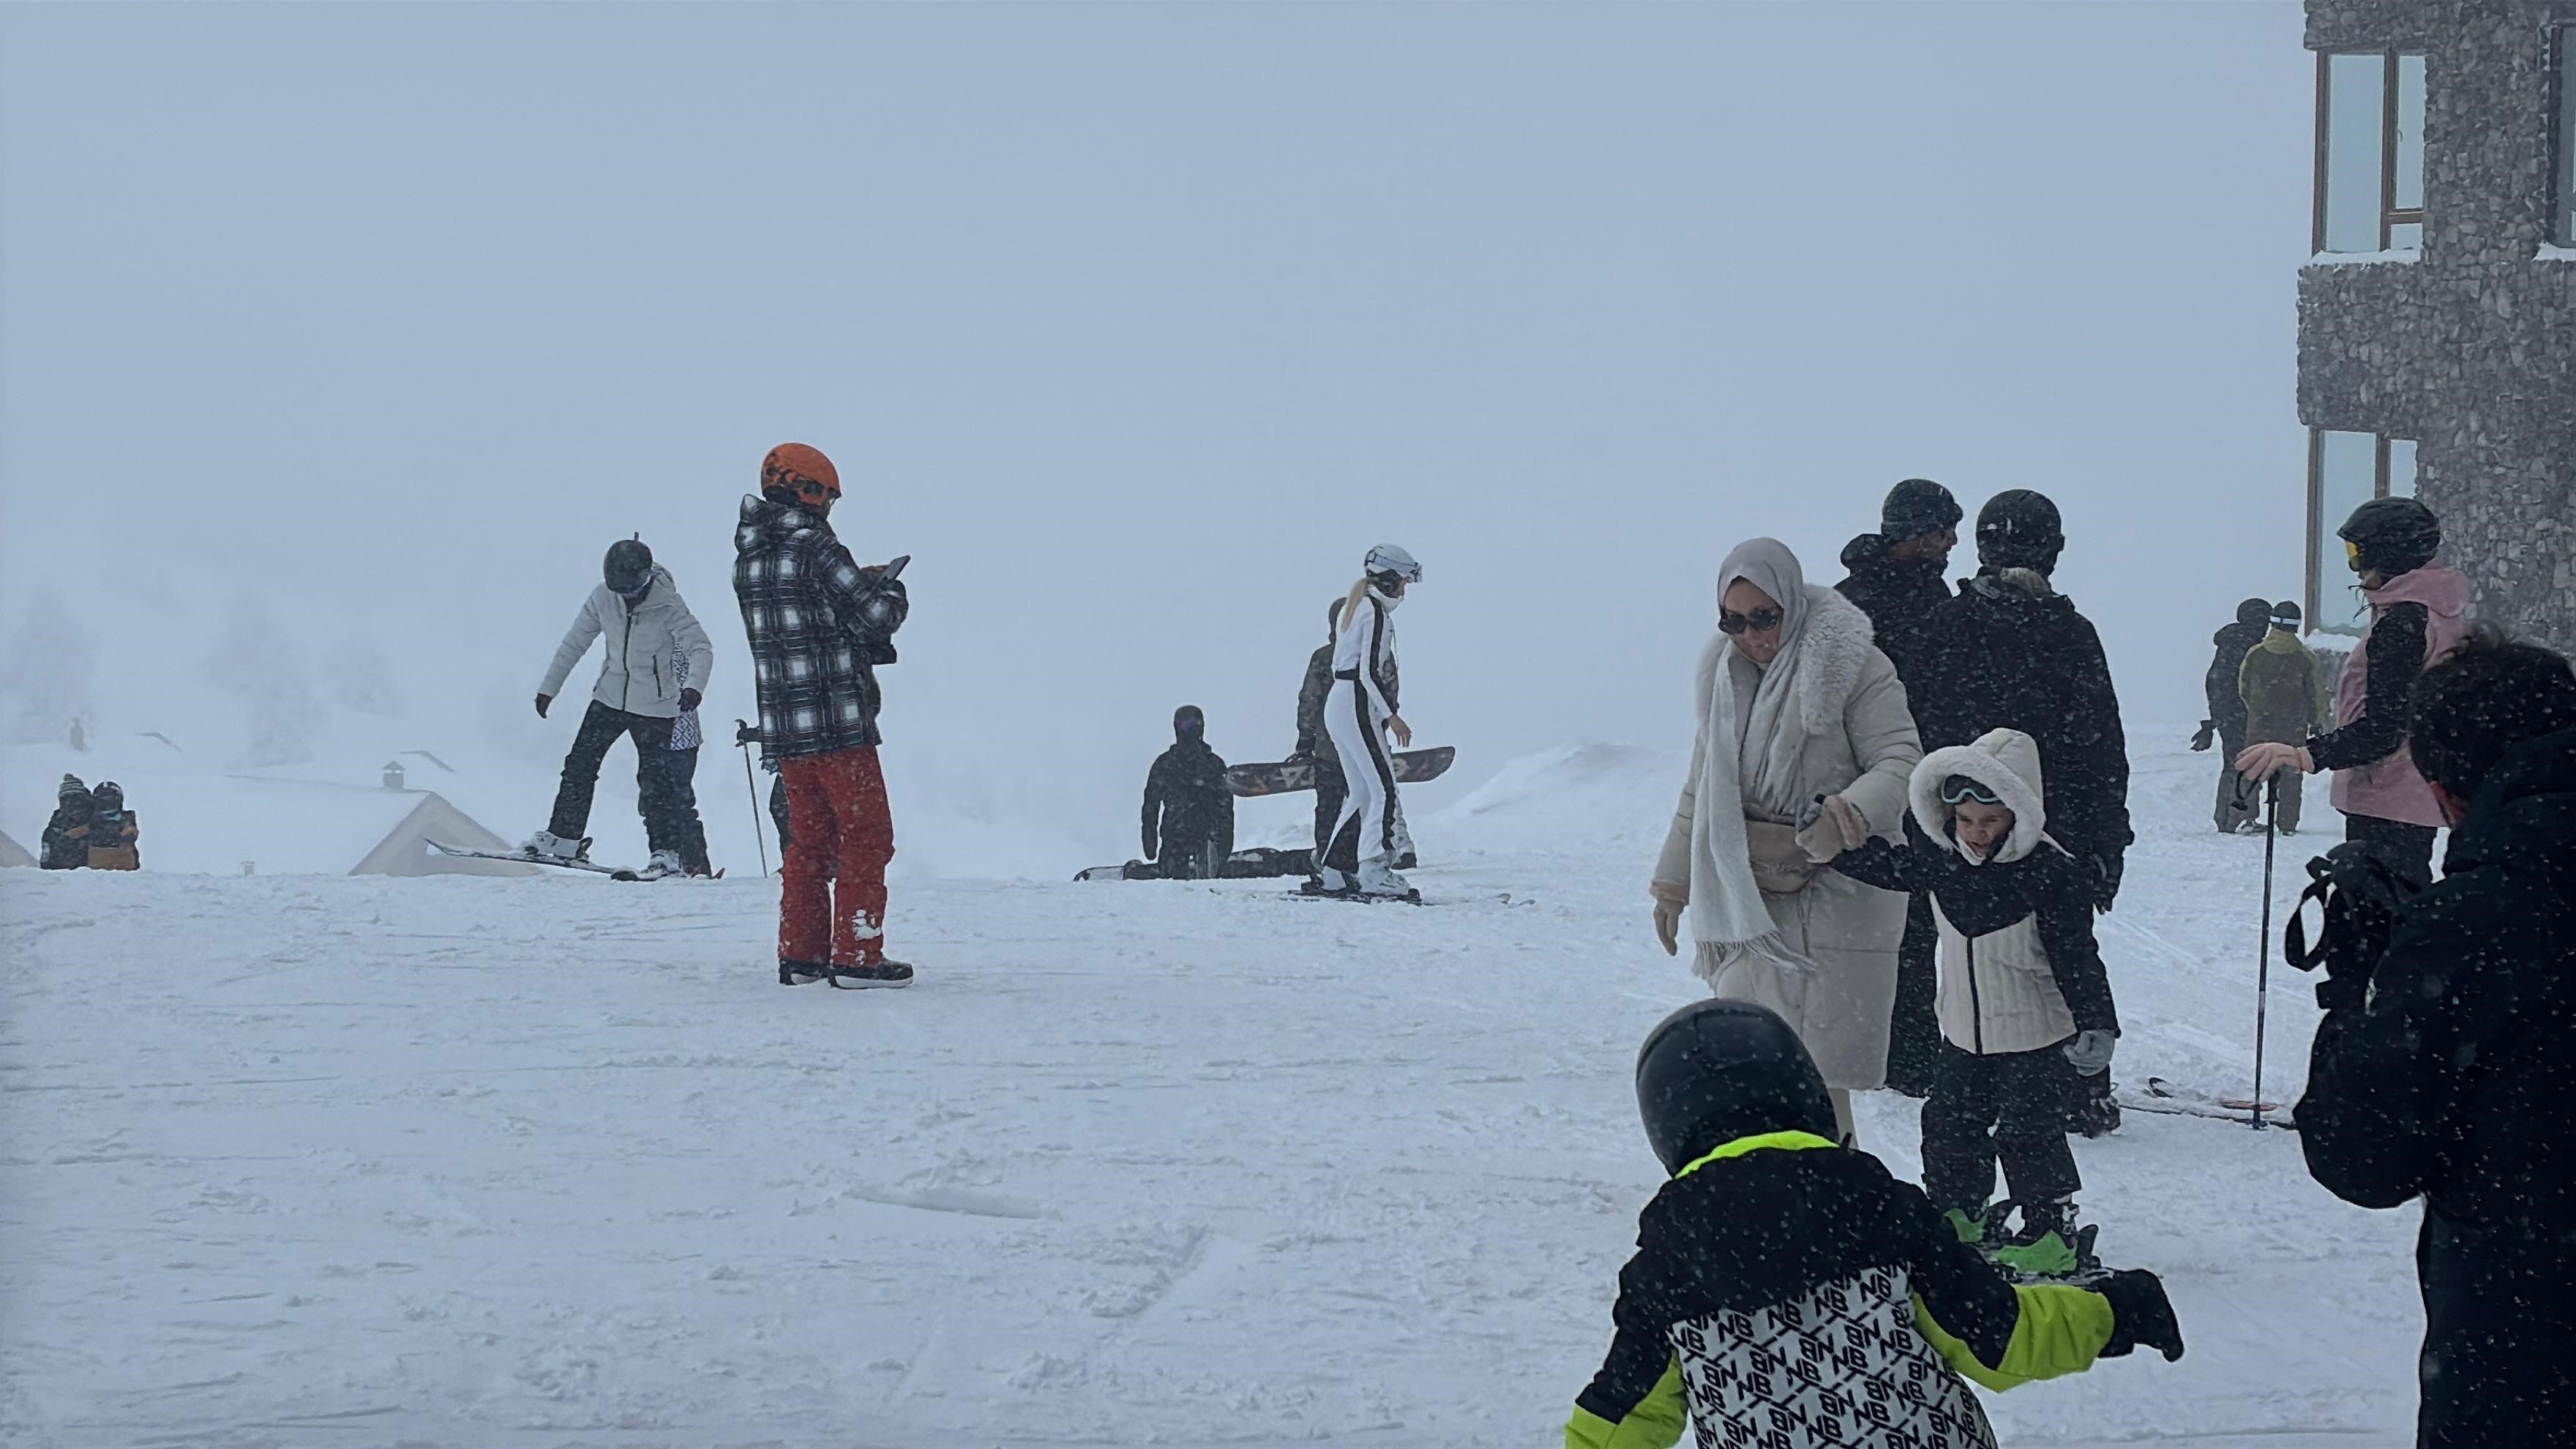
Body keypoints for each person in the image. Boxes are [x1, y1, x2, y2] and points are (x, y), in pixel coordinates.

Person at [1567, 997, 2182, 1449]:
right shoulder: (1877, 1209)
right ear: (1804, 1093)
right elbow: (2000, 1337)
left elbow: (1620, 1416)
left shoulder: (1669, 1265)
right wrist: (2114, 1312)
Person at [2296, 629, 2576, 1449]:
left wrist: (2356, 992)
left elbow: (2362, 1157)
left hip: (2526, 1346)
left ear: (2449, 792)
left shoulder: (2477, 926)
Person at [1649, 538, 1921, 1143]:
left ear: (1791, 604)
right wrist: (1674, 883)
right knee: (1753, 1060)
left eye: (1764, 617)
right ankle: (1762, 1196)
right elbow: (1703, 786)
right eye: (1734, 621)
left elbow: (1902, 761)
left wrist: (1845, 816)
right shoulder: (1722, 676)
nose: (1752, 635)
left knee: (1820, 1077)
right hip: (1749, 896)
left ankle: (1836, 1200)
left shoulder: (1854, 665)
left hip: (1837, 895)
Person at [1829, 729, 2119, 1270]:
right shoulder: (1944, 861)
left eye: (1990, 821)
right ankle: (1960, 1212)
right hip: (1963, 1033)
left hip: (2036, 1035)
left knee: (2028, 1134)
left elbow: (2078, 957)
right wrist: (1837, 846)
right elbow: (1892, 869)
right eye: (1965, 821)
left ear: (2018, 811)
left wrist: (2098, 1023)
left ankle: (2049, 1233)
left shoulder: (2051, 872)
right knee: (1948, 1124)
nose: (1976, 834)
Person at [1910, 490, 2131, 1137]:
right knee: (2060, 953)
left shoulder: (1950, 627)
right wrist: (2104, 843)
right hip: (2043, 833)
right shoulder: (2067, 633)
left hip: (1969, 826)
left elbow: (1922, 737)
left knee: (1980, 952)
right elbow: (2101, 748)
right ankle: (2075, 1084)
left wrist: (1929, 826)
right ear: (2055, 552)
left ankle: (1991, 1081)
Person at [733, 443, 912, 988]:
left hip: (787, 732)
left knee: (809, 843)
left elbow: (807, 621)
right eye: (827, 495)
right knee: (866, 835)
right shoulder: (818, 549)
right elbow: (875, 620)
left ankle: (801, 956)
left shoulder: (750, 557)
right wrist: (888, 586)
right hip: (838, 723)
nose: (830, 507)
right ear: (806, 491)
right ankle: (858, 957)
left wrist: (850, 582)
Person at [2236, 498, 2468, 887]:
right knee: (2395, 908)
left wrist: (2305, 754)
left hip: (2389, 798)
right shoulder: (2436, 613)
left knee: (2376, 917)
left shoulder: (2405, 623)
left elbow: (2385, 728)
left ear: (2390, 554)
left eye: (2358, 554)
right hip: (2412, 793)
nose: (2354, 567)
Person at [1834, 476, 1963, 1098]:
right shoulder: (1850, 607)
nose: (1952, 542)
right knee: (1878, 923)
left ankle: (1905, 1049)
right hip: (1873, 783)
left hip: (1931, 781)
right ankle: (1892, 1053)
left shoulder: (1933, 595)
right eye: (1942, 531)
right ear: (1911, 534)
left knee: (1916, 922)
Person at [528, 538, 716, 878]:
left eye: (631, 591)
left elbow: (701, 648)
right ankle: (563, 838)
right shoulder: (604, 597)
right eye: (620, 591)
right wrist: (548, 688)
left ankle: (666, 854)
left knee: (654, 782)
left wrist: (693, 687)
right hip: (610, 697)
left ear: (645, 579)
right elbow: (575, 642)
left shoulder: (669, 605)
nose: (626, 598)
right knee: (580, 765)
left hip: (657, 707)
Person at [1319, 544, 1423, 899]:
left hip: (1339, 702)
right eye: (1404, 583)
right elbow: (1367, 671)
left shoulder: (1354, 607)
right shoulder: (1375, 613)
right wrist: (1392, 717)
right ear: (1390, 580)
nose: (1404, 592)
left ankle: (1334, 870)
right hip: (1356, 703)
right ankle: (1375, 870)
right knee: (1384, 789)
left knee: (1362, 791)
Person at [2236, 601, 2325, 836]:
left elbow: (2243, 688)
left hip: (2259, 722)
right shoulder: (2305, 657)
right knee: (2291, 771)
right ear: (2296, 626)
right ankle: (2287, 823)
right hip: (2293, 724)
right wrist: (2316, 720)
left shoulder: (2255, 654)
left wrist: (2257, 709)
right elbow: (2315, 693)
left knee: (2253, 767)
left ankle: (2247, 817)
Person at [2193, 597, 2274, 834]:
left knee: (2232, 764)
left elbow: (2214, 681)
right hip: (2243, 714)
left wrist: (2216, 717)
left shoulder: (2228, 644)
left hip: (2227, 715)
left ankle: (2225, 817)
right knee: (2248, 763)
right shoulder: (2249, 647)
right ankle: (2240, 817)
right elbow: (2249, 684)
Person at [1140, 705, 1235, 880]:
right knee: (1173, 879)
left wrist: (1225, 845)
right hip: (1179, 840)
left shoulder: (1210, 764)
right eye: (1186, 725)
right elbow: (1150, 806)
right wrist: (1149, 840)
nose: (1189, 729)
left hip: (1201, 840)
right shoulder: (1168, 764)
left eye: (1193, 724)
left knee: (1178, 878)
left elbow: (1226, 807)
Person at [1293, 598, 1349, 886]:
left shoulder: (1324, 657)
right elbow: (1389, 693)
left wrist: (1305, 741)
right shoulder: (1377, 653)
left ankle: (1329, 867)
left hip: (1329, 749)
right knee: (1364, 807)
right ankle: (1357, 864)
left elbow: (1309, 701)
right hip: (1365, 749)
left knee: (1328, 807)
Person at [662, 652, 714, 876]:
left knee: (679, 803)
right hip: (666, 738)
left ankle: (693, 864)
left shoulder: (674, 642)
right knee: (667, 803)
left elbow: (681, 683)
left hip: (680, 738)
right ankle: (682, 861)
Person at [40, 774, 92, 870]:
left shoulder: (99, 823)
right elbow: (46, 864)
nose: (72, 806)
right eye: (66, 801)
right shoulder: (53, 830)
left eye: (76, 800)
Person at [84, 781, 140, 870]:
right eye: (104, 802)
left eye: (111, 801)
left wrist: (127, 836)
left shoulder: (126, 818)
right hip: (98, 866)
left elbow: (131, 830)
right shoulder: (93, 820)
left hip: (123, 865)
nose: (107, 805)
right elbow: (81, 831)